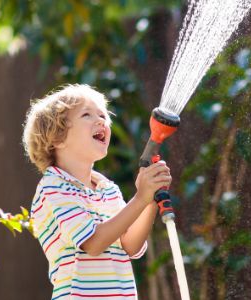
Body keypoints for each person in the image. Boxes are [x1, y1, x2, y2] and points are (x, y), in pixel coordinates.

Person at [23, 84, 171, 299]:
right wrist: (140, 198)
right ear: (57, 138)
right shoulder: (53, 187)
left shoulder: (108, 189)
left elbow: (130, 245)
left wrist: (149, 198)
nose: (101, 120)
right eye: (87, 115)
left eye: (103, 115)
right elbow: (93, 243)